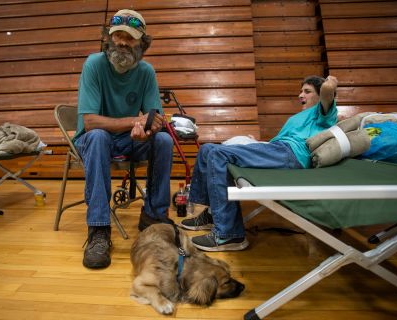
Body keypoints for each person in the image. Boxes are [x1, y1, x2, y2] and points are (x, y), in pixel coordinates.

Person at [180, 75, 339, 251]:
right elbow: (277, 144)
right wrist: (257, 143)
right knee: (207, 149)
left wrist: (330, 82)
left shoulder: (323, 113)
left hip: (292, 155)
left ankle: (229, 235)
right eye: (301, 91)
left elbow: (328, 92)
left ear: (319, 96)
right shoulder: (298, 117)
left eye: (307, 91)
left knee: (218, 155)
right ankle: (211, 215)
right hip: (278, 150)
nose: (301, 95)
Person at [73, 9, 174, 268]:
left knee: (163, 141)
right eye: (117, 35)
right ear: (108, 38)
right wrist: (134, 121)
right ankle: (98, 230)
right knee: (97, 136)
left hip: (128, 140)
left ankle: (154, 217)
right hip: (95, 141)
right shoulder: (94, 64)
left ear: (142, 44)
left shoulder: (146, 72)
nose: (121, 42)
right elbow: (91, 121)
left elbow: (155, 119)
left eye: (129, 38)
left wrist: (147, 129)